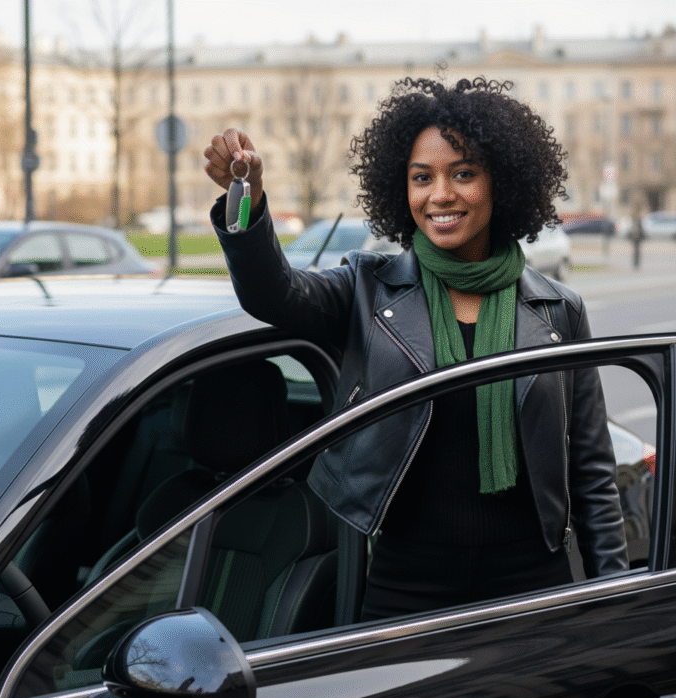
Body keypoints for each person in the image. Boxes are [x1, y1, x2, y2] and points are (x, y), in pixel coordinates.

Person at [204, 77, 628, 621]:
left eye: (464, 174)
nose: (440, 195)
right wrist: (248, 200)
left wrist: (617, 599)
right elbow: (273, 294)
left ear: (503, 183)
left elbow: (590, 466)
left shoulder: (558, 310)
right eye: (421, 178)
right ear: (399, 189)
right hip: (407, 583)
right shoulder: (366, 288)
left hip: (532, 580)